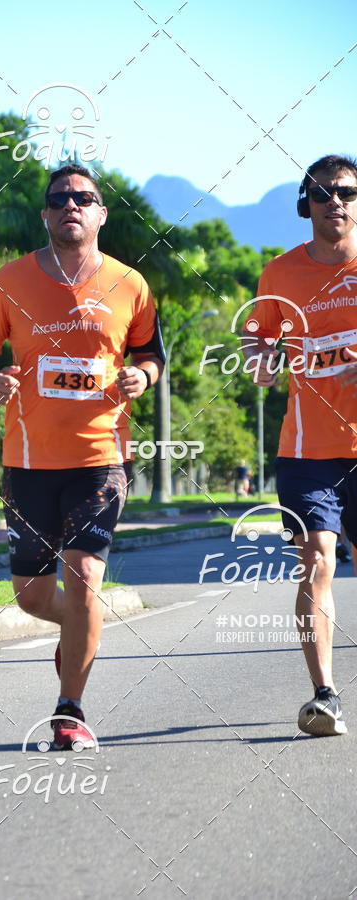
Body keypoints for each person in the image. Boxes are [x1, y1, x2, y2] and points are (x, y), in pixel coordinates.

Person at [0, 164, 165, 749]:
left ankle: (69, 710)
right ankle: (80, 627)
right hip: (28, 460)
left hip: (102, 457)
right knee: (31, 596)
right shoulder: (11, 280)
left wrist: (142, 377)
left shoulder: (130, 283)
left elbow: (151, 353)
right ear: (45, 215)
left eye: (83, 198)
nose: (70, 206)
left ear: (101, 213)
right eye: (59, 199)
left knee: (82, 581)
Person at [242, 154, 357, 736]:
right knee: (316, 562)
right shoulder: (279, 274)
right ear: (304, 205)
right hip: (308, 450)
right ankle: (325, 695)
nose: (335, 201)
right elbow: (256, 338)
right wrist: (260, 360)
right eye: (322, 192)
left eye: (347, 192)